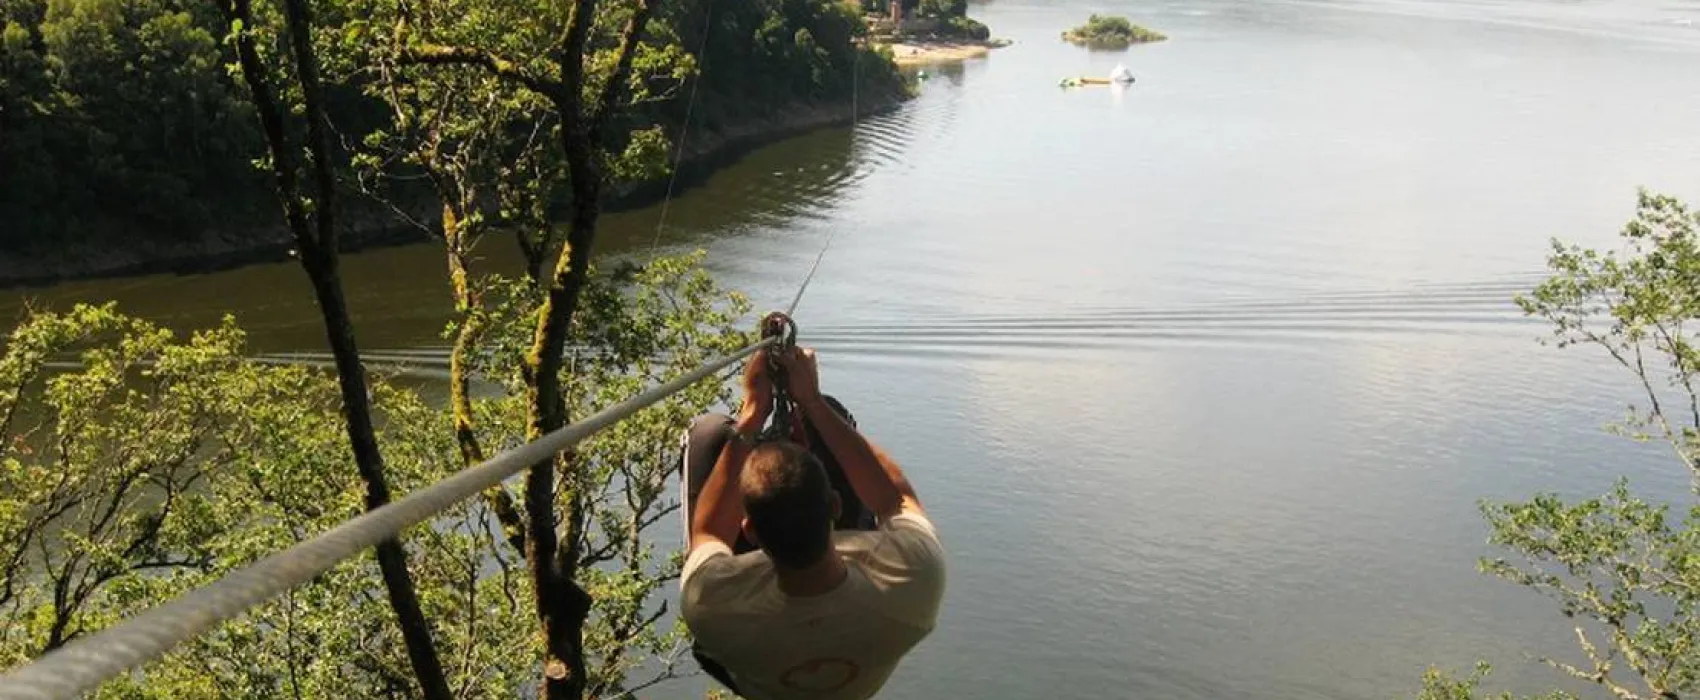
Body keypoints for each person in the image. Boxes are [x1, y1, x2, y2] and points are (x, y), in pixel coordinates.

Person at [678, 346, 946, 700]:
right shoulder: (913, 578)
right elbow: (894, 501)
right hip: (857, 652)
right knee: (833, 418)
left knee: (708, 434)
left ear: (750, 530)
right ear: (835, 506)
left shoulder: (711, 607)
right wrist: (814, 404)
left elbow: (709, 533)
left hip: (755, 656)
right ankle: (822, 418)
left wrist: (753, 414)